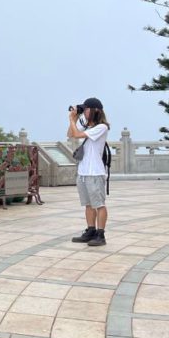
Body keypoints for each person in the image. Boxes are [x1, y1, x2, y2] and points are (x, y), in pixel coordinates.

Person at [69, 97, 110, 247]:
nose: (84, 111)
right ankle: (90, 231)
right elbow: (71, 134)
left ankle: (101, 234)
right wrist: (74, 118)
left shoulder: (102, 127)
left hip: (95, 172)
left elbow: (78, 135)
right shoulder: (86, 127)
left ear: (96, 110)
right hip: (83, 172)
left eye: (86, 109)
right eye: (84, 109)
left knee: (99, 204)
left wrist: (73, 120)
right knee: (88, 204)